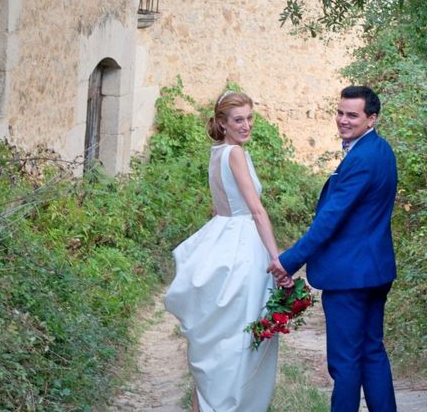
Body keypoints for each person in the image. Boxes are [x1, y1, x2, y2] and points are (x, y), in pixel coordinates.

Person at [268, 85, 398, 412]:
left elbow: (331, 218)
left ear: (371, 119)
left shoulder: (363, 158)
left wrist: (290, 260)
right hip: (374, 271)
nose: (342, 120)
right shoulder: (380, 151)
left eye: (351, 115)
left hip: (351, 276)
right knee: (371, 352)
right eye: (340, 112)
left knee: (345, 363)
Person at [164, 90, 286, 412]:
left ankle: (207, 404)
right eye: (238, 120)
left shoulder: (216, 152)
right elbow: (256, 211)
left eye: (249, 118)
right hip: (242, 248)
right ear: (222, 122)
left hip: (223, 237)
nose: (246, 126)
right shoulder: (236, 155)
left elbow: (219, 210)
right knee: (240, 339)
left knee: (224, 340)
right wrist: (277, 259)